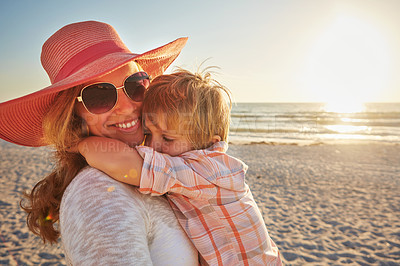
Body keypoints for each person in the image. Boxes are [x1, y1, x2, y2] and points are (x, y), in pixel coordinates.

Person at [0, 20, 199, 265]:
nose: (127, 106)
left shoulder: (155, 167)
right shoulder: (99, 195)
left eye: (135, 85)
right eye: (100, 95)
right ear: (73, 113)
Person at [78, 68, 282, 265]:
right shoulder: (194, 166)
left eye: (167, 138)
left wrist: (81, 145)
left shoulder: (206, 168)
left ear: (209, 143)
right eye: (148, 134)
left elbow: (123, 163)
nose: (153, 147)